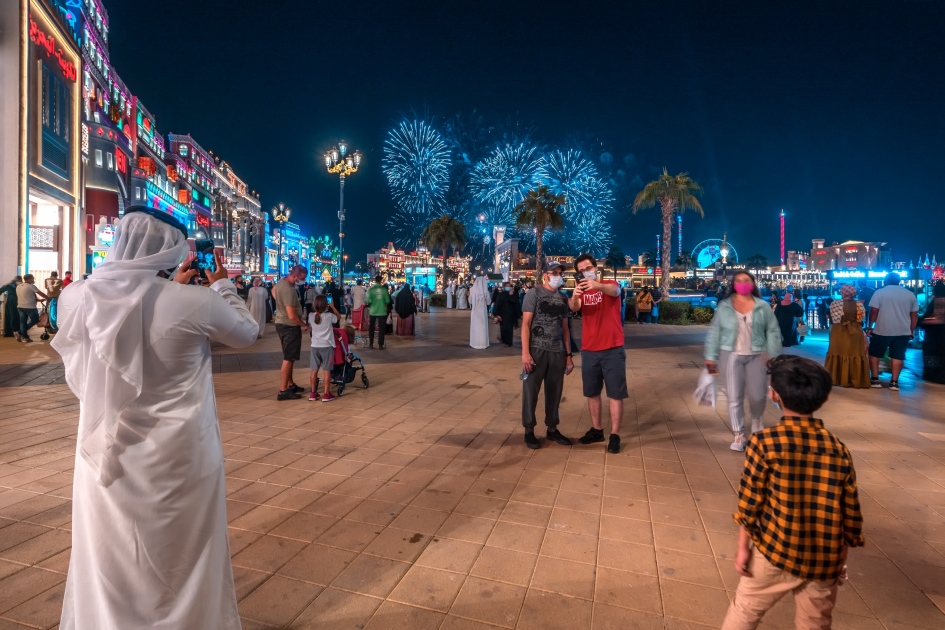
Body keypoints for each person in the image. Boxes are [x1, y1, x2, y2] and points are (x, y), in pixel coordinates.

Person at [51, 208, 258, 629]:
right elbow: (246, 332)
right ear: (171, 249)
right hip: (180, 459)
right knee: (183, 556)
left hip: (105, 458)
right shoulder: (197, 302)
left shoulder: (75, 296)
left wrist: (168, 288)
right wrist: (222, 284)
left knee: (109, 556)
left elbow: (128, 311)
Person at [721, 355, 864, 630]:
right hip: (824, 560)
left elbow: (750, 504)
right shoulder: (838, 449)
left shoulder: (764, 443)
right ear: (824, 398)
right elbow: (850, 515)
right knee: (815, 623)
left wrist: (742, 549)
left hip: (774, 550)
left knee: (744, 612)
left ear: (774, 395)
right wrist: (841, 560)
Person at [705, 271, 782, 451]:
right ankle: (738, 434)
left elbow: (772, 330)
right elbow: (715, 332)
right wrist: (710, 356)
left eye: (746, 280)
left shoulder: (762, 306)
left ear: (753, 283)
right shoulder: (725, 306)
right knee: (734, 397)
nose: (742, 283)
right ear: (734, 284)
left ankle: (757, 420)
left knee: (758, 395)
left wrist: (771, 353)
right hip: (731, 355)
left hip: (758, 355)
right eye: (738, 281)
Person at [569, 255, 627, 453]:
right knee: (592, 392)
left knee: (615, 394)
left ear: (595, 267)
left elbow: (616, 291)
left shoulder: (609, 284)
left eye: (588, 268)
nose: (586, 272)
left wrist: (597, 285)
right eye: (581, 271)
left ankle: (615, 435)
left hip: (613, 348)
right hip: (589, 349)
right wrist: (575, 296)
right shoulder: (581, 290)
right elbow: (574, 308)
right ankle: (596, 430)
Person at [521, 261, 574, 449]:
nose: (558, 276)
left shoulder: (563, 298)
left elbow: (565, 329)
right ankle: (529, 430)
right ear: (545, 275)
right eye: (554, 272)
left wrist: (568, 355)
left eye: (560, 273)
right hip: (536, 350)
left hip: (557, 351)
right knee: (530, 391)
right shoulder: (533, 294)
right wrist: (525, 353)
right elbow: (526, 324)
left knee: (555, 391)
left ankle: (552, 428)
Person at [867, 272, 918, 391]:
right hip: (902, 331)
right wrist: (911, 330)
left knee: (874, 354)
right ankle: (894, 382)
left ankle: (875, 379)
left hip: (881, 329)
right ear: (899, 281)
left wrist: (870, 327)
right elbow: (914, 315)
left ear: (885, 281)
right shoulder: (910, 294)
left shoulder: (879, 292)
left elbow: (874, 311)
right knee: (898, 356)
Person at [273, 265, 310, 400]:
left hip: (281, 323)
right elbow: (292, 316)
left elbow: (273, 290)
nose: (303, 281)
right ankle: (283, 391)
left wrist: (280, 305)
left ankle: (290, 384)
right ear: (295, 276)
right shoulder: (289, 290)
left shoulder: (281, 282)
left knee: (290, 357)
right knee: (288, 359)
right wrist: (304, 325)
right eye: (302, 278)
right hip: (289, 326)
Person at [824, 284, 870, 388]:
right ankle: (855, 379)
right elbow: (861, 320)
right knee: (854, 353)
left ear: (842, 292)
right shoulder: (859, 304)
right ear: (854, 292)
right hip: (855, 331)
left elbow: (833, 319)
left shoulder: (835, 303)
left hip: (838, 331)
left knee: (837, 352)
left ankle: (835, 378)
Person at [308, 295, 340, 402]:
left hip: (314, 346)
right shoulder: (329, 316)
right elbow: (338, 317)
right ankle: (326, 394)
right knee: (327, 371)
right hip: (327, 346)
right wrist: (333, 307)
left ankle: (313, 393)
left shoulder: (311, 316)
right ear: (326, 305)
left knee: (314, 370)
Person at [919, 281, 945, 384]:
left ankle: (933, 376)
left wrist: (923, 321)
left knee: (932, 355)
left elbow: (928, 316)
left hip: (933, 335)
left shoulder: (935, 301)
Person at [16, 274, 48, 343]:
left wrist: (39, 300)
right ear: (30, 279)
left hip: (20, 306)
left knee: (23, 322)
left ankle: (25, 337)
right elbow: (41, 293)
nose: (33, 279)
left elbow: (26, 296)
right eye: (33, 278)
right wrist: (48, 298)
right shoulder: (31, 286)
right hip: (30, 307)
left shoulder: (18, 286)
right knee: (35, 320)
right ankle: (21, 333)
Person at [366, 274, 391, 349]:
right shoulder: (384, 290)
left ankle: (371, 344)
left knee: (371, 327)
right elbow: (387, 301)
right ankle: (380, 345)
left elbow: (367, 301)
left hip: (373, 311)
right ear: (381, 281)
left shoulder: (371, 290)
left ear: (375, 280)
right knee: (382, 328)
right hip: (382, 311)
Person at [492, 281, 519, 347]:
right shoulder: (501, 294)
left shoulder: (514, 294)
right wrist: (497, 314)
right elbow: (498, 304)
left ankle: (508, 342)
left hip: (511, 315)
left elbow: (516, 303)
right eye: (507, 286)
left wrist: (511, 295)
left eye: (509, 286)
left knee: (509, 330)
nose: (508, 287)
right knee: (503, 329)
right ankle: (504, 341)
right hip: (503, 315)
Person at [469, 275, 491, 349]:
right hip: (482, 313)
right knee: (482, 328)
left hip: (475, 312)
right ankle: (483, 343)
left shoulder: (472, 291)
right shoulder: (485, 292)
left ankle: (475, 343)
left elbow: (470, 301)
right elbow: (488, 302)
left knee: (475, 327)